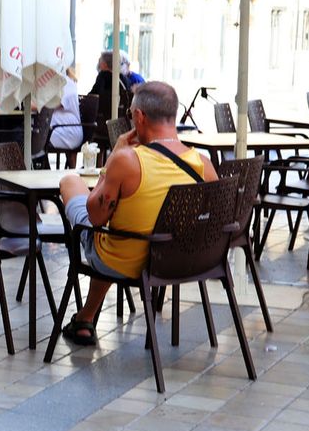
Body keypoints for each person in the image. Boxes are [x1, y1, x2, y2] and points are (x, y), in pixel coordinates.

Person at [57, 81, 215, 346]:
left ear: (139, 117)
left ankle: (84, 318)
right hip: (181, 262)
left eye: (131, 115)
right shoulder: (204, 165)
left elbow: (95, 218)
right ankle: (85, 317)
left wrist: (113, 158)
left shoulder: (127, 160)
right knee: (121, 227)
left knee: (71, 183)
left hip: (124, 261)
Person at [41, 67, 85, 159]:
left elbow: (50, 104)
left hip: (67, 132)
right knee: (29, 134)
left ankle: (37, 165)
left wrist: (28, 106)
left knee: (31, 136)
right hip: (56, 128)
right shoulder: (54, 83)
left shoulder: (67, 84)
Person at [89, 51, 133, 118]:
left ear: (104, 64)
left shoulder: (103, 76)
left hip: (106, 118)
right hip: (122, 117)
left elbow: (93, 96)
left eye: (100, 61)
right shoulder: (123, 78)